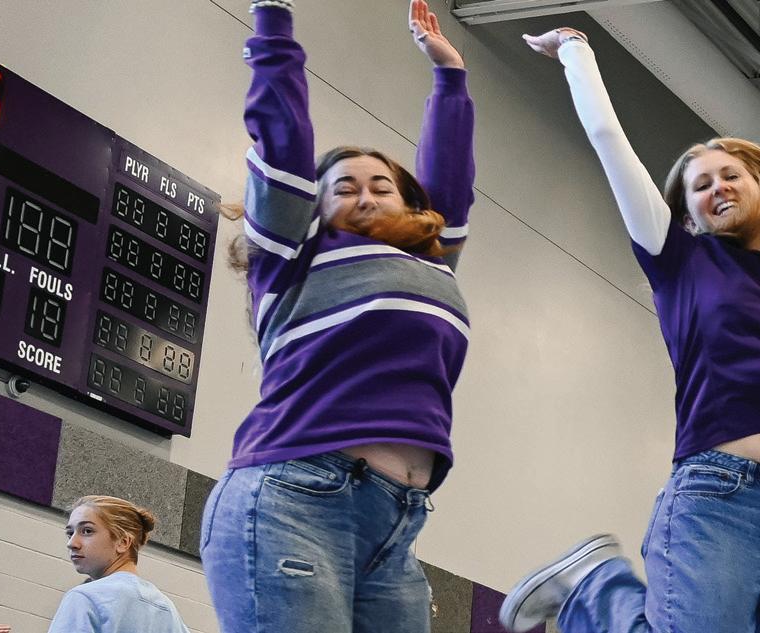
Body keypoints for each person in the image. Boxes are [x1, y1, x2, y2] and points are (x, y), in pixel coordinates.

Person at [496, 24, 760, 633]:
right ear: (686, 213)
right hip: (717, 493)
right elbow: (609, 139)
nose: (718, 188)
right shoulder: (676, 258)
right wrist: (576, 50)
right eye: (701, 186)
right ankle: (595, 587)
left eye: (730, 175)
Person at [202, 1, 478, 631]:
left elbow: (451, 186)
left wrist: (450, 79)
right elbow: (283, 142)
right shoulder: (295, 256)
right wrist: (274, 24)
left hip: (397, 522)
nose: (366, 195)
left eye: (382, 186)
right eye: (344, 187)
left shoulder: (433, 260)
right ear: (313, 208)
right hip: (296, 499)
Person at [51, 496, 188, 633]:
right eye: (70, 533)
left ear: (123, 542)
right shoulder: (168, 611)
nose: (71, 543)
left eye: (87, 531)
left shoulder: (84, 598)